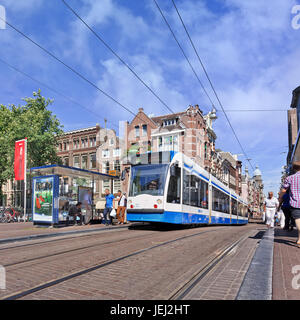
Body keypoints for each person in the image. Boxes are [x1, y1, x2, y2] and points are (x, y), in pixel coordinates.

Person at [279, 163, 300, 247]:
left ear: (294, 169)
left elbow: (284, 190)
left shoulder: (290, 178)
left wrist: (280, 197)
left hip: (296, 202)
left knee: (298, 220)